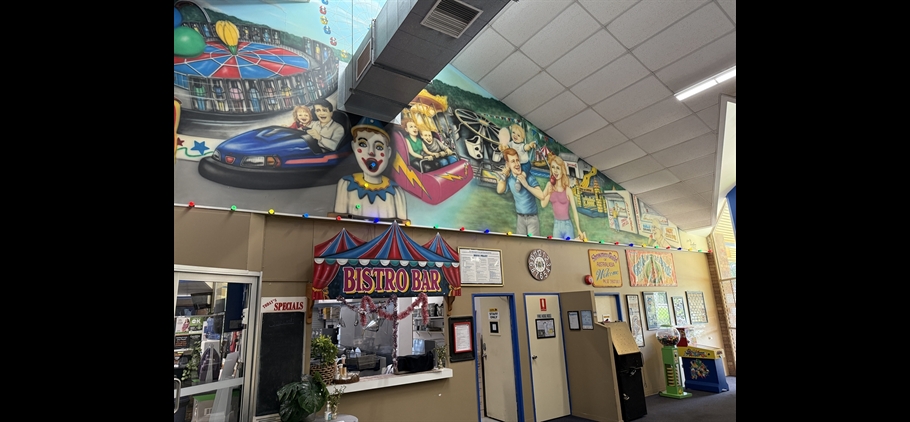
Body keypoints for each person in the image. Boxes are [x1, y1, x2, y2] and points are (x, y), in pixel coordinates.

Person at [334, 117, 408, 222]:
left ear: (388, 152)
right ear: (354, 147)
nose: (371, 152)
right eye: (363, 144)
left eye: (379, 147)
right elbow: (338, 222)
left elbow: (403, 225)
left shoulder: (396, 192)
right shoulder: (346, 184)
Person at [496, 147, 545, 236]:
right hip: (520, 219)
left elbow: (541, 196)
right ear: (508, 164)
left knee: (532, 242)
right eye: (513, 161)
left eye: (517, 160)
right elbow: (499, 190)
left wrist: (526, 185)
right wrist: (504, 176)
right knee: (520, 242)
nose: (517, 164)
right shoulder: (510, 179)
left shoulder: (528, 176)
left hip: (532, 219)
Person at [540, 154, 586, 241]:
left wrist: (579, 229)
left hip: (567, 225)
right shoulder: (549, 185)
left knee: (570, 248)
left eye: (558, 168)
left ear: (562, 170)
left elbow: (574, 211)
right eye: (553, 167)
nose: (555, 171)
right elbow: (542, 204)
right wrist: (549, 193)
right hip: (556, 225)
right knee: (556, 248)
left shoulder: (568, 190)